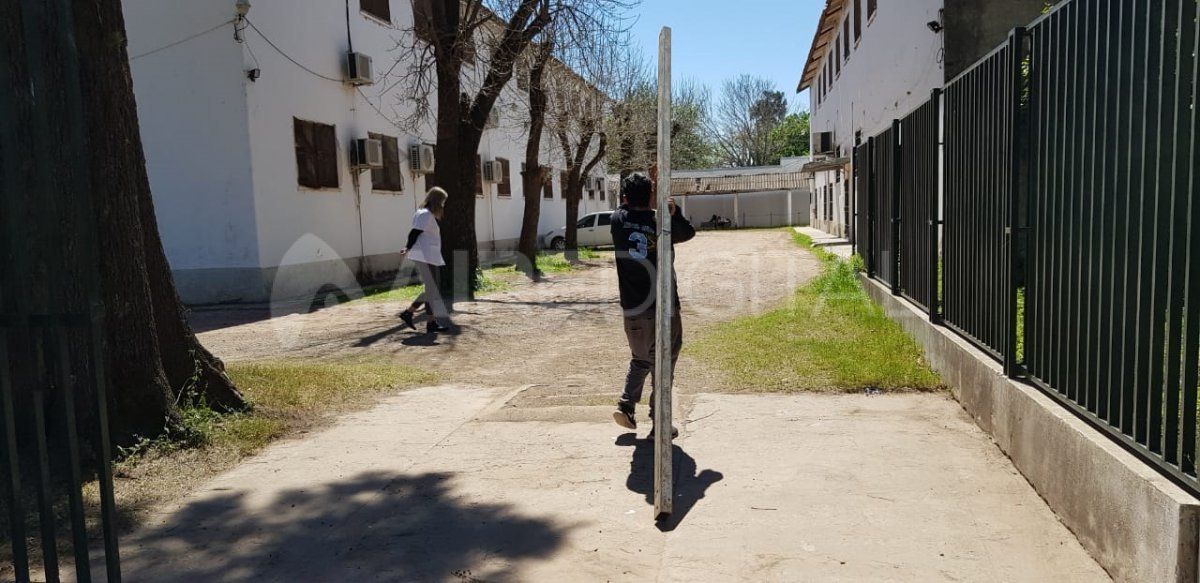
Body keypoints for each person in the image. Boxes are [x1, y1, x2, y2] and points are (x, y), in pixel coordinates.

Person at [610, 171, 696, 438]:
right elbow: (688, 233)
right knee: (664, 363)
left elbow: (627, 206)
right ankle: (660, 418)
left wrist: (650, 191)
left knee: (640, 359)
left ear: (624, 197)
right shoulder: (662, 222)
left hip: (633, 308)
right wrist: (672, 209)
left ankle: (626, 405)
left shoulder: (617, 221)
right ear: (651, 197)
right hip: (664, 306)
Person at [400, 187, 452, 334]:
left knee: (431, 289)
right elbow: (414, 232)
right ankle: (411, 313)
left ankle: (429, 322)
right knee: (432, 289)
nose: (443, 205)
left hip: (428, 256)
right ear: (437, 201)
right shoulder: (425, 215)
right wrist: (407, 247)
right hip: (425, 256)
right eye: (442, 202)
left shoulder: (424, 213)